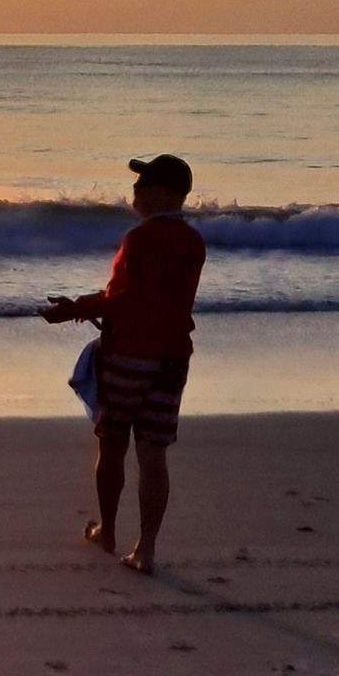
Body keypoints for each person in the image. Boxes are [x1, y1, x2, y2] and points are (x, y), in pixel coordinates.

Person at [41, 154, 207, 575]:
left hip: (129, 356)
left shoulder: (140, 240)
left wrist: (74, 308)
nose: (135, 189)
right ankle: (146, 549)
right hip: (172, 359)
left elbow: (125, 300)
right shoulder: (193, 242)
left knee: (112, 444)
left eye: (145, 182)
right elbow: (150, 297)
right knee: (154, 455)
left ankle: (109, 531)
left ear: (166, 193)